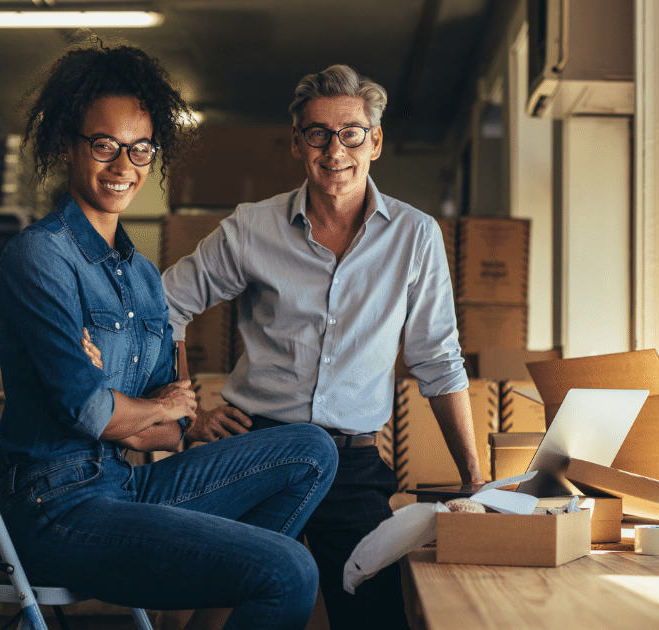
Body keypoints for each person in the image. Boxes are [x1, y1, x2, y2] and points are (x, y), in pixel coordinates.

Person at [0, 44, 338, 630]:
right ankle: (252, 568)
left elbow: (168, 430)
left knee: (311, 449)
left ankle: (229, 571)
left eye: (140, 148)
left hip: (125, 483)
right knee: (290, 571)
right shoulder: (40, 258)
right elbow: (93, 412)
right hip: (58, 508)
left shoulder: (143, 276)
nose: (123, 164)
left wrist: (143, 409)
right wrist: (141, 407)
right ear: (68, 145)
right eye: (104, 145)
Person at [159, 64, 484, 630]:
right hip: (256, 448)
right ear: (296, 143)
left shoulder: (416, 236)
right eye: (318, 133)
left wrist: (474, 479)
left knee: (377, 616)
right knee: (223, 612)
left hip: (352, 463)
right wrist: (189, 412)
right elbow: (164, 307)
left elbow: (437, 358)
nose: (335, 149)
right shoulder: (251, 229)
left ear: (375, 141)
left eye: (351, 132)